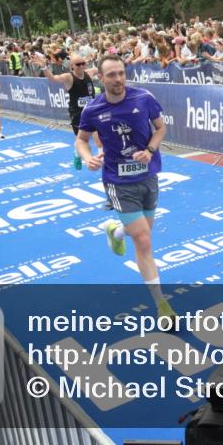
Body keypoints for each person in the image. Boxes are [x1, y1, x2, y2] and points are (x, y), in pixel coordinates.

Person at [76, 54, 177, 327]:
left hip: (148, 176)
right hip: (117, 182)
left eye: (121, 73)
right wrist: (87, 158)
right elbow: (82, 140)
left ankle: (115, 231)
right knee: (143, 241)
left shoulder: (143, 97)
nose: (118, 79)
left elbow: (160, 128)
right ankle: (161, 304)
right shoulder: (92, 110)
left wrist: (150, 150)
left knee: (143, 232)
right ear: (101, 78)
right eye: (111, 75)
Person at [33, 53, 102, 168]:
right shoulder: (68, 77)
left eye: (83, 63)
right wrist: (44, 67)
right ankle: (78, 153)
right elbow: (53, 78)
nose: (81, 66)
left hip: (92, 112)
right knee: (83, 141)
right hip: (78, 114)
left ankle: (102, 162)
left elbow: (104, 68)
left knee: (99, 141)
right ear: (72, 66)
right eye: (78, 64)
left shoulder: (90, 72)